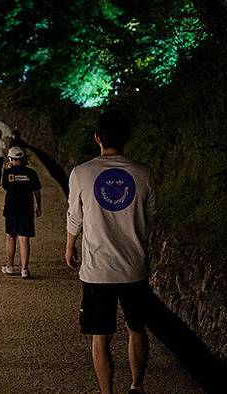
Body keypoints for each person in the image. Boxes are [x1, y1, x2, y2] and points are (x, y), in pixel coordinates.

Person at [65, 110, 155, 394]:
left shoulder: (81, 173)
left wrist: (70, 247)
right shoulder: (143, 173)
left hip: (97, 269)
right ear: (128, 138)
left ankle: (107, 392)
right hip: (134, 267)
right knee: (137, 328)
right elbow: (150, 215)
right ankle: (136, 386)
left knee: (100, 335)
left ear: (97, 138)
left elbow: (74, 218)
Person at [0, 146, 42, 279]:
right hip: (26, 209)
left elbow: (5, 187)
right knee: (24, 239)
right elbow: (36, 191)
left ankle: (10, 266)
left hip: (11, 208)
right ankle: (24, 269)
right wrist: (38, 206)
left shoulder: (7, 173)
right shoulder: (31, 173)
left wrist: (9, 169)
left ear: (11, 159)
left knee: (11, 237)